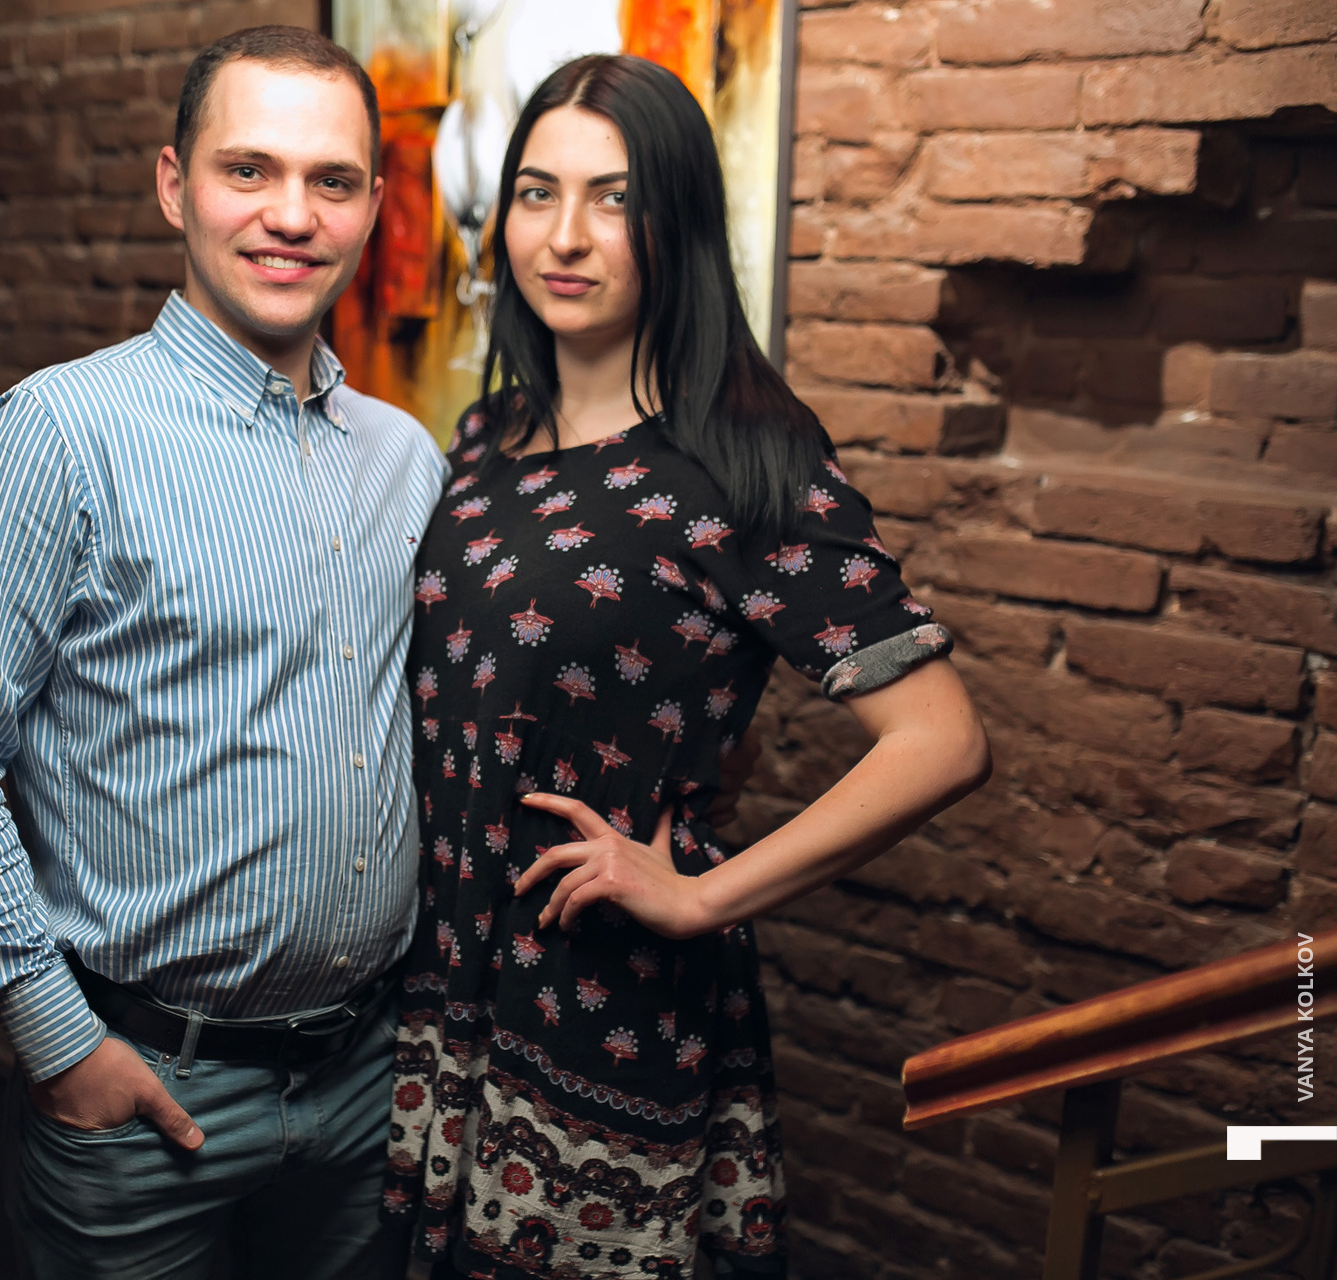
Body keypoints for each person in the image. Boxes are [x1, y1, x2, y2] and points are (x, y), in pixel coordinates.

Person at [383, 55, 992, 1280]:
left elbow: (943, 738)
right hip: (442, 977)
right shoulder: (486, 435)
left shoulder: (743, 455)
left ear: (680, 224)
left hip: (600, 996)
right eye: (538, 192)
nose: (565, 235)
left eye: (615, 198)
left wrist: (706, 896)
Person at [0, 26, 449, 1280]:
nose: (291, 214)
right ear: (175, 185)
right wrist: (58, 1039)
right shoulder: (59, 434)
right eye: (249, 170)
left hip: (368, 1080)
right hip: (142, 1083)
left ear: (372, 208)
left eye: (333, 180)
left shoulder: (407, 457)